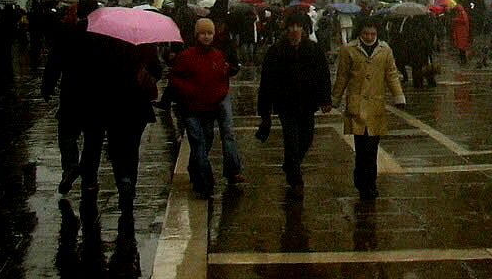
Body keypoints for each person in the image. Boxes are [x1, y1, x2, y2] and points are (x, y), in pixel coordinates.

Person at [79, 30, 163, 222]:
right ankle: (129, 182)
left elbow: (92, 73)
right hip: (138, 106)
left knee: (116, 146)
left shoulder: (104, 43)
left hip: (111, 104)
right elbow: (157, 71)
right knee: (132, 146)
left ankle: (122, 180)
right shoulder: (146, 44)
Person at [256, 12, 332, 196]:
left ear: (304, 29)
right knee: (291, 140)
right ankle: (295, 179)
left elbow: (323, 76)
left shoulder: (314, 49)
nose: (294, 30)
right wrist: (265, 111)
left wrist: (325, 99)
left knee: (307, 138)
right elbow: (266, 82)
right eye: (291, 26)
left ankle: (291, 163)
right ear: (286, 29)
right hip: (285, 104)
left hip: (307, 103)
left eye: (298, 26)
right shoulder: (276, 51)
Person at [333, 20, 406, 200]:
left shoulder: (385, 50)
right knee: (361, 148)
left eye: (372, 34)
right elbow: (342, 76)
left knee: (372, 148)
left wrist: (399, 96)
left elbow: (391, 74)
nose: (369, 37)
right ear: (360, 33)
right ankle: (361, 181)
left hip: (375, 106)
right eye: (366, 33)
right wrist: (334, 98)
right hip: (357, 106)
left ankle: (370, 183)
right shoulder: (348, 50)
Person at [168, 18, 242, 197]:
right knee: (197, 141)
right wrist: (188, 92)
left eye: (209, 33)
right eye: (203, 33)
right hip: (191, 108)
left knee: (206, 140)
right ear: (196, 35)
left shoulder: (217, 55)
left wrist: (219, 92)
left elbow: (221, 79)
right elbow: (175, 79)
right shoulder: (186, 56)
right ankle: (205, 179)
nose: (206, 36)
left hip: (209, 108)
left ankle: (195, 169)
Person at [42, 0, 100, 196]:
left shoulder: (68, 32)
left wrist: (47, 86)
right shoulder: (102, 36)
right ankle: (90, 178)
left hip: (72, 91)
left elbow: (54, 61)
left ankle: (70, 166)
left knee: (66, 134)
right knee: (93, 139)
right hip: (96, 95)